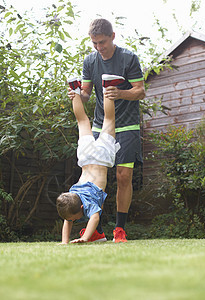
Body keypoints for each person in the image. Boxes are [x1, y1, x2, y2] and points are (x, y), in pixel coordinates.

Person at [68, 18, 145, 243]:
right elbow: (86, 94)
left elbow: (140, 91)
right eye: (94, 43)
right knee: (93, 179)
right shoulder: (90, 62)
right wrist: (76, 96)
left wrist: (120, 93)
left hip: (128, 125)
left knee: (123, 176)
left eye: (102, 42)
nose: (99, 47)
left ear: (112, 37)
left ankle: (119, 230)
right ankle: (98, 231)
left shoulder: (129, 58)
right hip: (100, 125)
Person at [57, 76, 122, 244]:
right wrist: (64, 242)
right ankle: (75, 89)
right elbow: (68, 218)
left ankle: (107, 85)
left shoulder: (89, 203)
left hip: (101, 158)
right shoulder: (72, 197)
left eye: (76, 218)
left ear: (81, 208)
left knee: (109, 120)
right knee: (82, 121)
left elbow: (94, 218)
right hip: (86, 156)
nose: (75, 220)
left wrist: (84, 238)